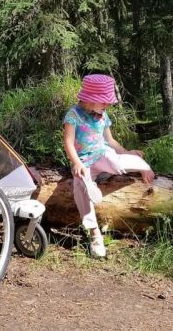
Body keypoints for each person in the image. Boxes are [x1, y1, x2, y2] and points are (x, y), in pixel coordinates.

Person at [63, 74, 155, 258]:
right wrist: (77, 163)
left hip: (101, 153)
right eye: (104, 102)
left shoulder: (103, 115)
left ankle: (142, 165)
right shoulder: (73, 115)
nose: (107, 106)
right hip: (83, 160)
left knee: (116, 162)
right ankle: (94, 233)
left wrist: (127, 152)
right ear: (91, 99)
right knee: (80, 186)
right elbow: (68, 143)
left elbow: (110, 141)